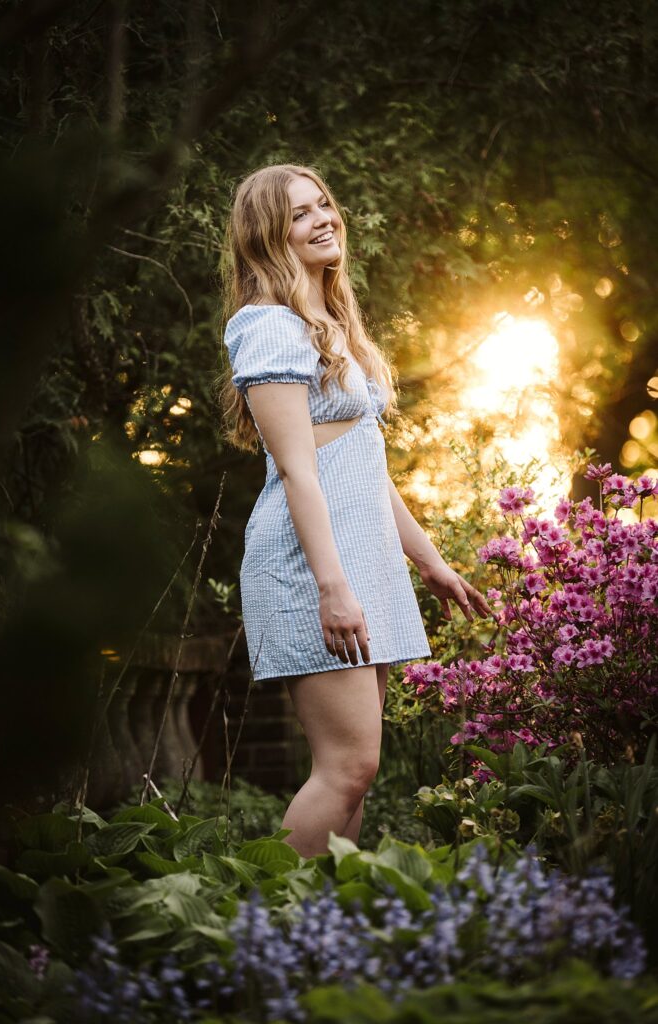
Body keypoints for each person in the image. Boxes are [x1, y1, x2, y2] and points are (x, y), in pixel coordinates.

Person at [219, 163, 491, 858]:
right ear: (266, 237)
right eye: (300, 214)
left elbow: (364, 468)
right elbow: (298, 472)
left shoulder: (332, 326)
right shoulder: (269, 327)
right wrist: (331, 587)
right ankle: (262, 924)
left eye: (325, 205)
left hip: (359, 558)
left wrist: (428, 562)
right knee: (345, 767)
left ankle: (327, 930)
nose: (323, 219)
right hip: (311, 565)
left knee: (358, 773)